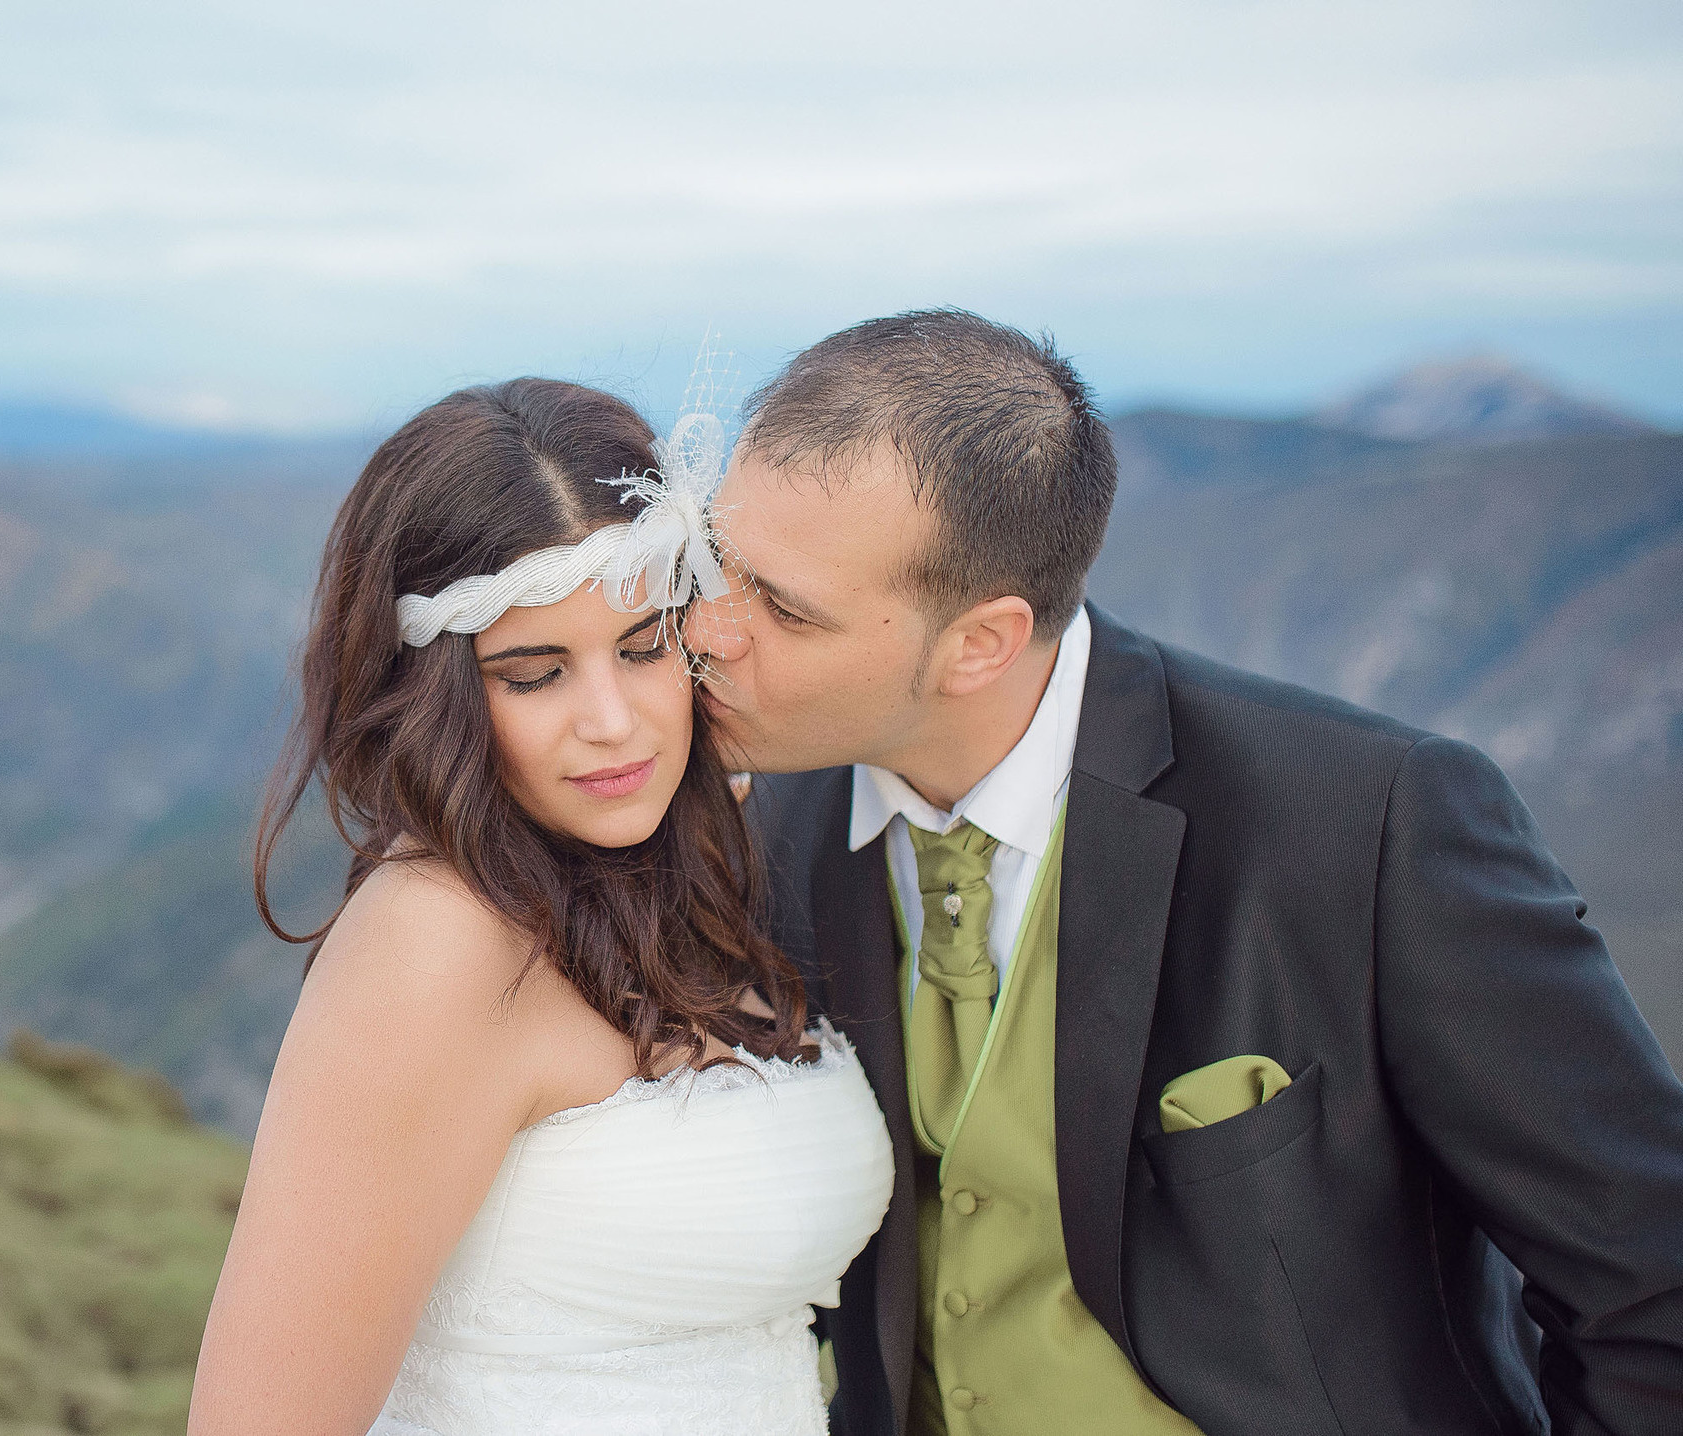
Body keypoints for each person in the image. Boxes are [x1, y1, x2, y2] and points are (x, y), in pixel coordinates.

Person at [691, 308, 1683, 1436]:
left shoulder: (1370, 825)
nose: (708, 628)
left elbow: (1649, 1279)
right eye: (719, 562)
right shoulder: (764, 816)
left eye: (782, 608)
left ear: (980, 641)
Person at [188, 377, 895, 1436]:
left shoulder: (702, 868)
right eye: (533, 673)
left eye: (645, 648)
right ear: (440, 699)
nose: (612, 723)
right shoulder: (435, 936)